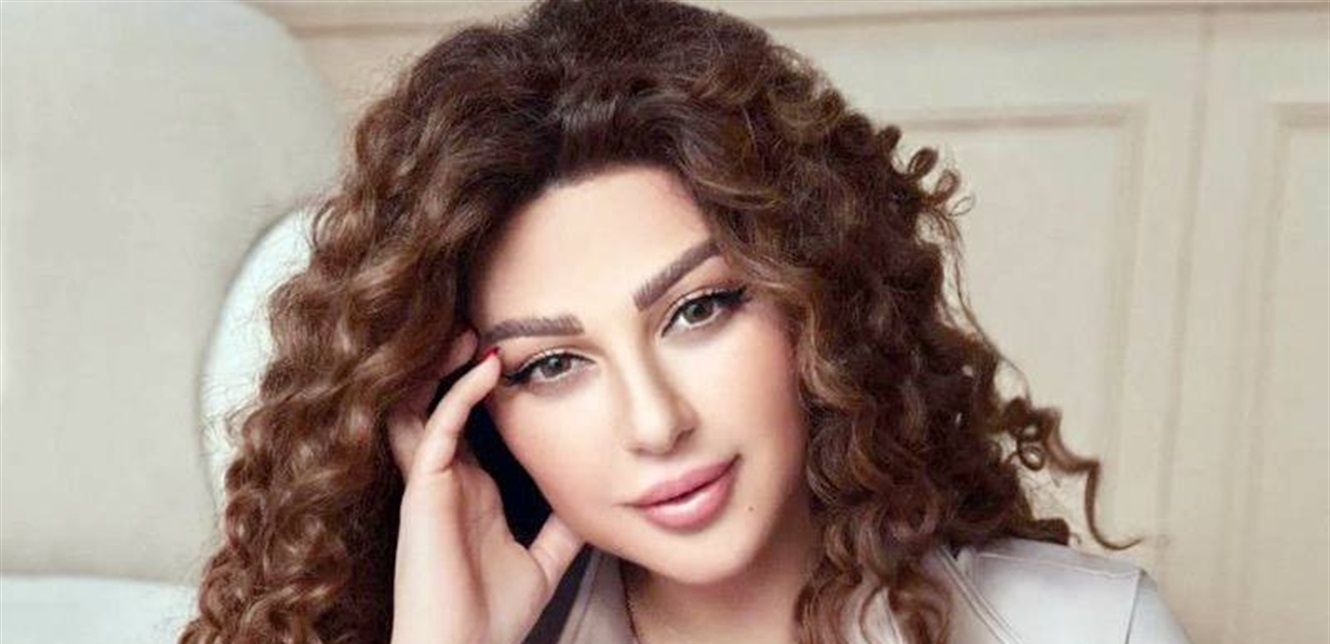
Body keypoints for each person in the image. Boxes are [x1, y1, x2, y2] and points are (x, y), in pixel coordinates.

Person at [180, 0, 1193, 642]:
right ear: (476, 418)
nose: (656, 421)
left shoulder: (1092, 632)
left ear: (815, 301)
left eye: (698, 309)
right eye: (551, 364)